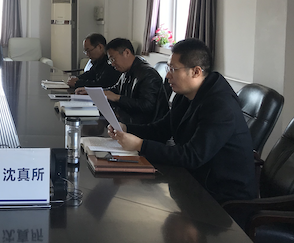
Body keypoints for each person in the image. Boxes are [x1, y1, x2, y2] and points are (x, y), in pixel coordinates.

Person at [108, 38, 257, 204]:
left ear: (196, 72)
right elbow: (162, 129)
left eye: (173, 69)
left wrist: (140, 145)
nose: (168, 75)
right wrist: (126, 128)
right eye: (168, 68)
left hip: (223, 197)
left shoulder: (220, 106)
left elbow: (192, 156)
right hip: (193, 179)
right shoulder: (185, 95)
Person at [78, 37, 168, 125]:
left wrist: (117, 98)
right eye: (110, 61)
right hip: (127, 117)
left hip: (142, 125)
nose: (112, 64)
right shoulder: (126, 70)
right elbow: (116, 89)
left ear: (126, 53)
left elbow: (147, 106)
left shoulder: (148, 74)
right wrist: (93, 92)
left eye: (113, 59)